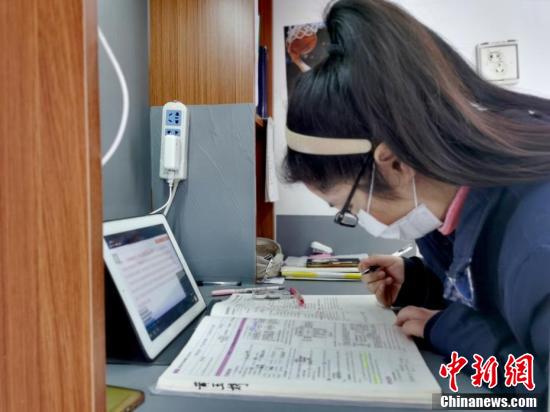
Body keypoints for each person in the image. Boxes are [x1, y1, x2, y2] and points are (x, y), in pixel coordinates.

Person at [283, 0, 550, 396]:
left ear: (394, 162)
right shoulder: (458, 205)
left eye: (349, 207)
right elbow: (497, 300)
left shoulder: (538, 241)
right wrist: (419, 285)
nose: (358, 219)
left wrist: (446, 330)